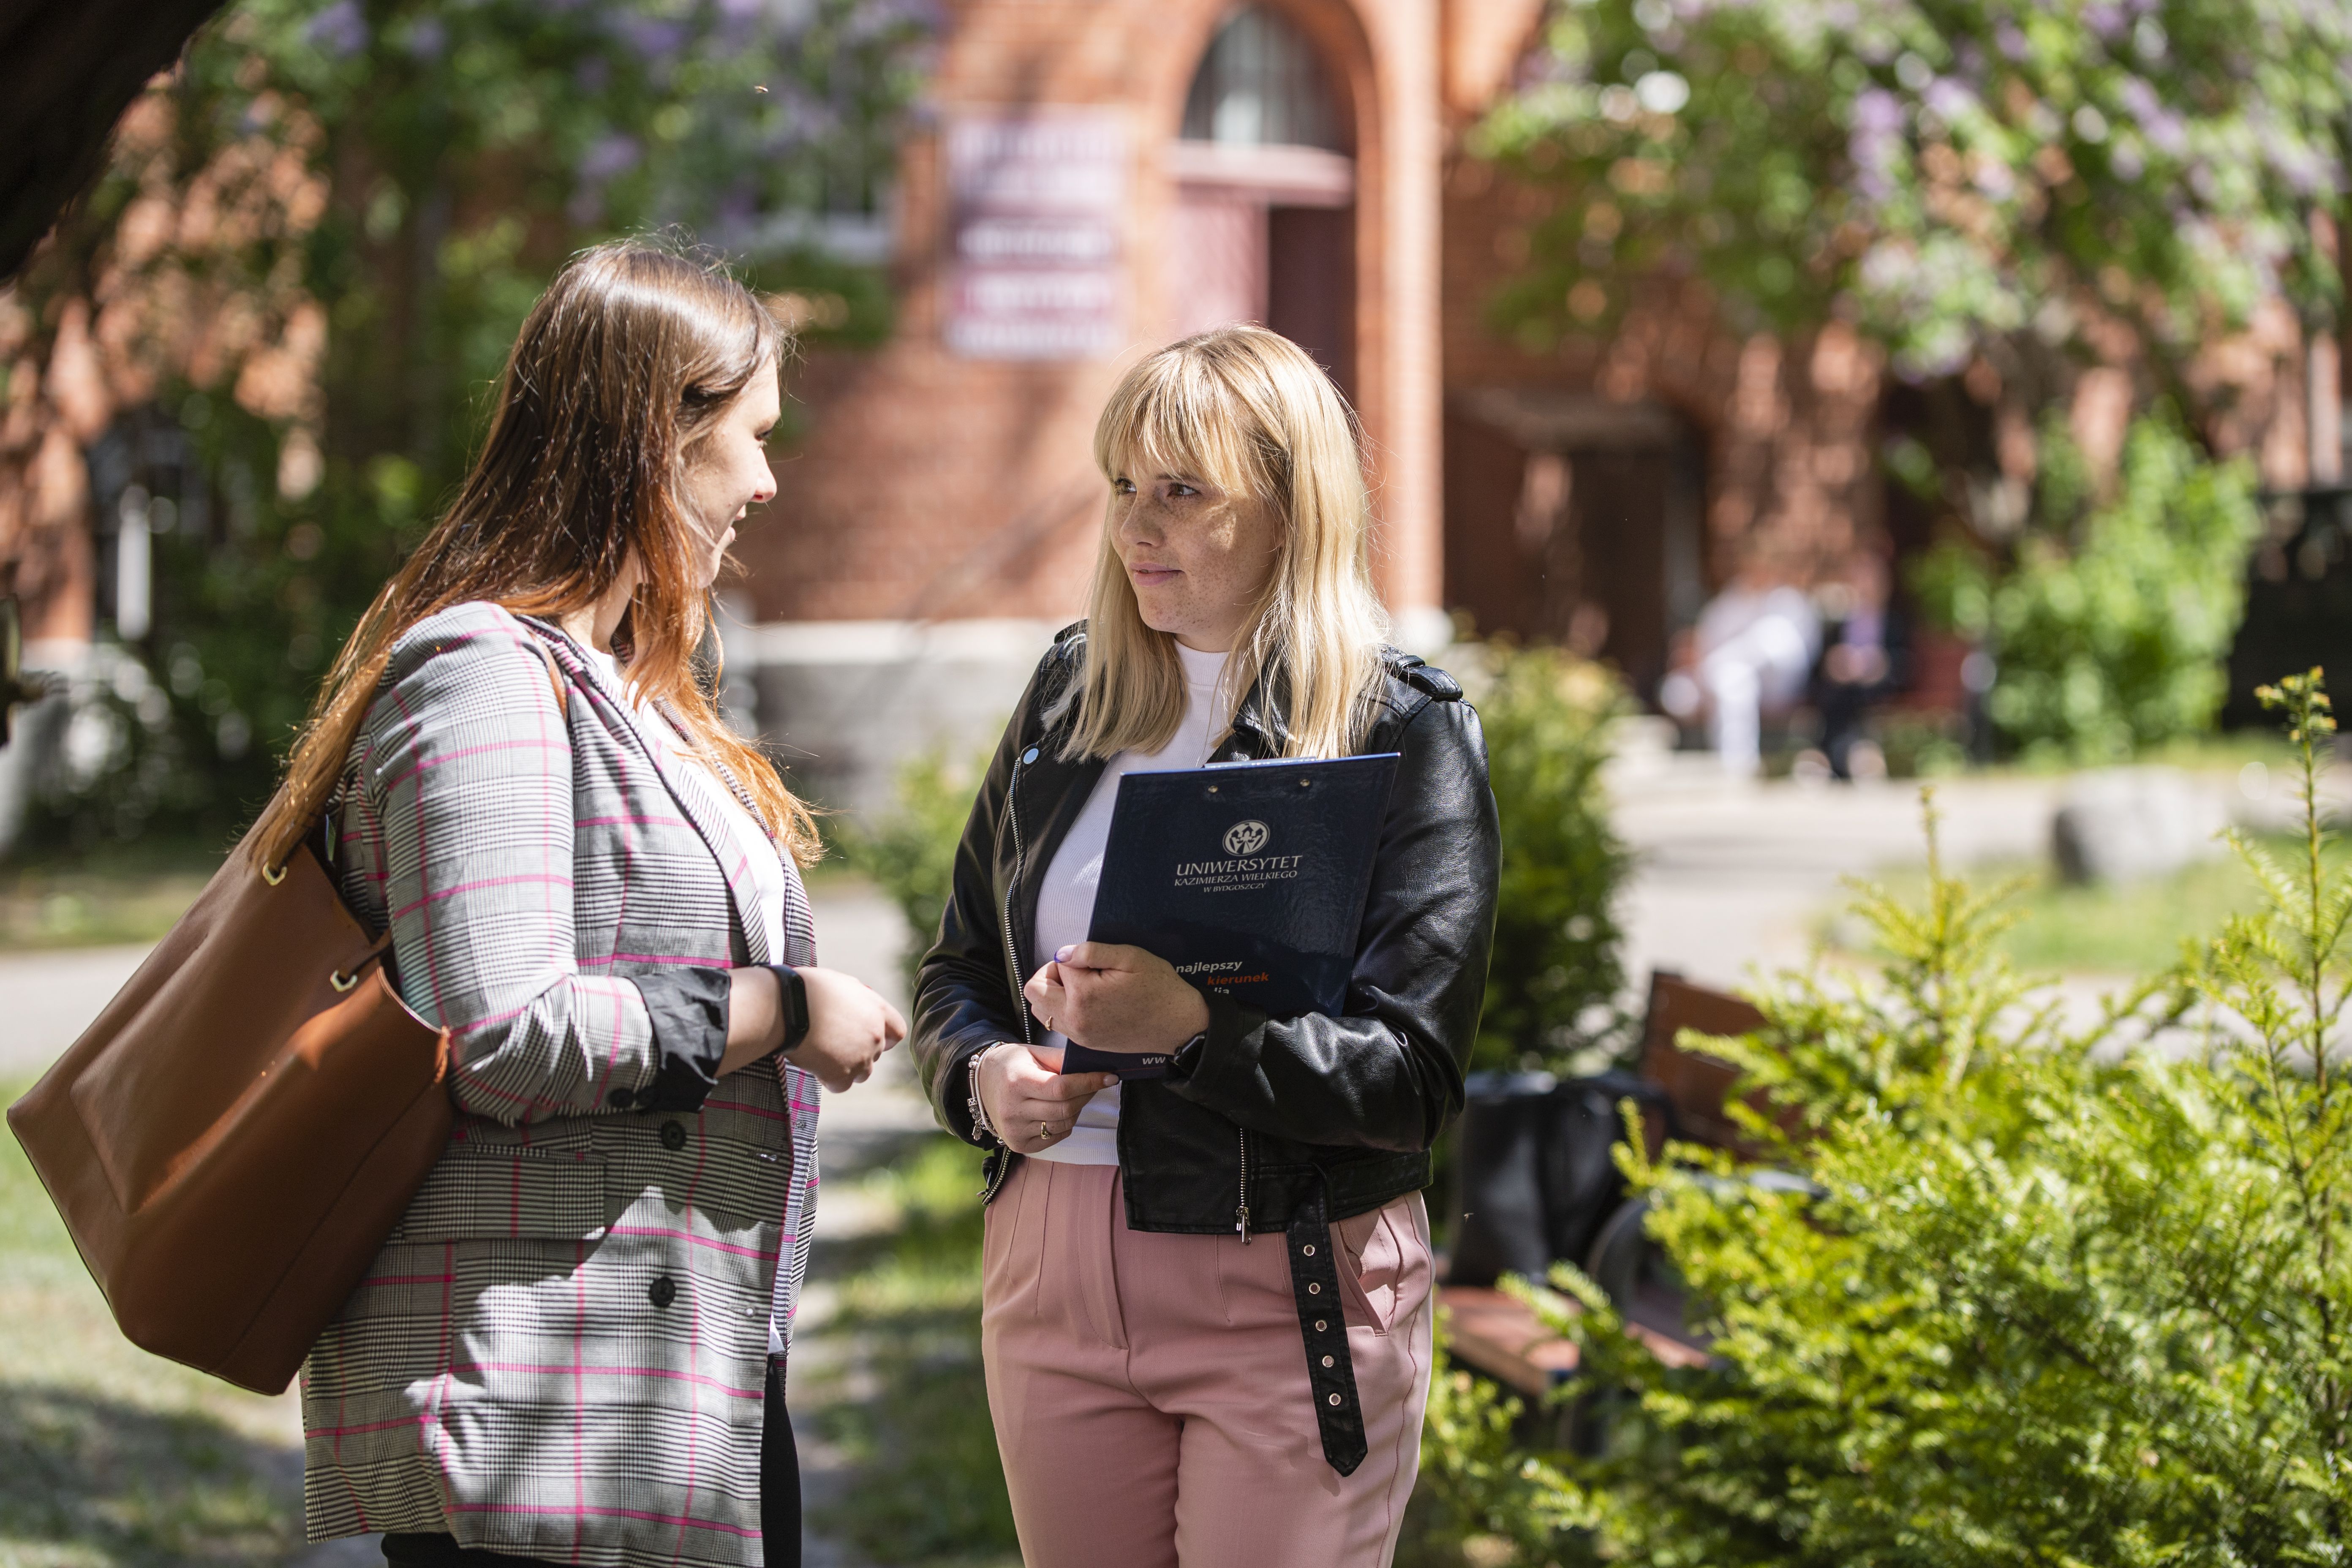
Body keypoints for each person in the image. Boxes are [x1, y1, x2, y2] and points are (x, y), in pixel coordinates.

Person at [261, 240, 906, 1568]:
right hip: (534, 1404)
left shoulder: (616, 682)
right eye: (752, 438)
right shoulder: (480, 675)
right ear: (654, 440)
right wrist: (782, 1009)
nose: (770, 481)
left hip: (668, 1374)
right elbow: (502, 1033)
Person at [910, 325, 1500, 1568]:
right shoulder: (1068, 695)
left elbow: (1411, 1079)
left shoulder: (1400, 728)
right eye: (1123, 486)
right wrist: (981, 1079)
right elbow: (957, 968)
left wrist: (1189, 1033)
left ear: (1289, 508)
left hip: (1286, 1272)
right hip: (1052, 1261)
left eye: (1182, 490)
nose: (1137, 526)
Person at [1661, 539, 1821, 777]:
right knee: (1718, 681)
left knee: (1769, 636)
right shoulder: (1728, 603)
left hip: (1780, 684)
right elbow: (1706, 642)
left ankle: (1735, 759)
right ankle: (1737, 763)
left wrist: (1715, 663)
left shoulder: (1789, 602)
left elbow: (1794, 653)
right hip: (1731, 681)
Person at [1810, 545, 1908, 781]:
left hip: (1880, 686)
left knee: (1848, 696)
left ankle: (1830, 759)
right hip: (1844, 687)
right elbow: (1819, 666)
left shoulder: (1895, 622)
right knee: (1837, 693)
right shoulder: (1841, 623)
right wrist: (1836, 665)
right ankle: (1855, 757)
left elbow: (1905, 662)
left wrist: (1875, 666)